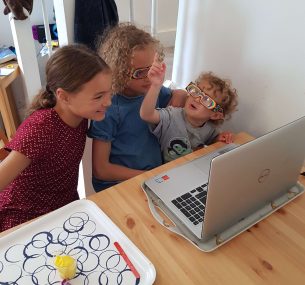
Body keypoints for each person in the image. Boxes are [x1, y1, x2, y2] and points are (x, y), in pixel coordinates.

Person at [0, 44, 112, 232]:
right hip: (24, 217)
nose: (108, 101)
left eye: (110, 92)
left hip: (63, 208)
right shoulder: (41, 128)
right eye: (99, 96)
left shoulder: (84, 114)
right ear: (64, 96)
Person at [88, 23, 186, 192]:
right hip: (120, 186)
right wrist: (148, 176)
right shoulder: (109, 107)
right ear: (118, 70)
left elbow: (180, 94)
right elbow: (101, 170)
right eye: (140, 73)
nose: (149, 78)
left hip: (154, 178)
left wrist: (177, 99)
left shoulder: (152, 91)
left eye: (152, 69)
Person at [140, 54, 238, 162]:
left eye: (206, 100)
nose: (196, 99)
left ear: (215, 115)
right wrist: (155, 86)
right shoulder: (172, 115)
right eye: (196, 91)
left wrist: (220, 138)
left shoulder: (210, 129)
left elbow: (212, 142)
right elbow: (146, 115)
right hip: (163, 171)